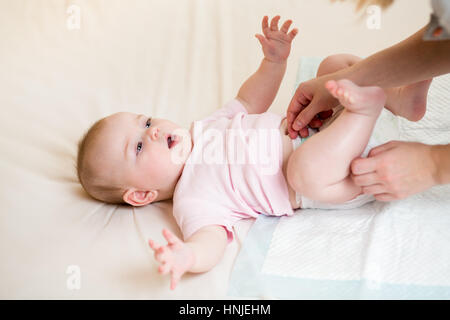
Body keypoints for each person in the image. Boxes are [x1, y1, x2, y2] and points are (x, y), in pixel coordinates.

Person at [76, 16, 419, 290]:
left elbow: (252, 100)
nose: (151, 131)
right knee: (302, 171)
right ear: (140, 194)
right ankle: (367, 109)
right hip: (343, 174)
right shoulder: (192, 199)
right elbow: (208, 243)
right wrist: (188, 257)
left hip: (333, 128)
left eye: (146, 121)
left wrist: (273, 63)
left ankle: (400, 99)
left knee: (335, 65)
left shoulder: (204, 127)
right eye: (138, 146)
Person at [287, 0, 450, 201]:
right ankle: (400, 100)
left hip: (334, 167)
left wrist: (433, 165)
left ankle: (362, 111)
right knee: (334, 65)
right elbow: (445, 37)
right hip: (341, 144)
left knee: (304, 174)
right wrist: (335, 81)